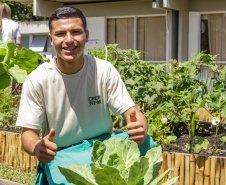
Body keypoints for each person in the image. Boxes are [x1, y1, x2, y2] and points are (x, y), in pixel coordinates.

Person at [16, 6, 156, 184]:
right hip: (64, 153)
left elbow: (133, 113)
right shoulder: (37, 80)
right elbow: (28, 134)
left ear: (86, 35)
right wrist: (37, 147)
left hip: (106, 145)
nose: (69, 40)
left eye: (76, 32)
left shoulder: (103, 69)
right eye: (60, 34)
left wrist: (140, 128)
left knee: (148, 145)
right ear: (51, 39)